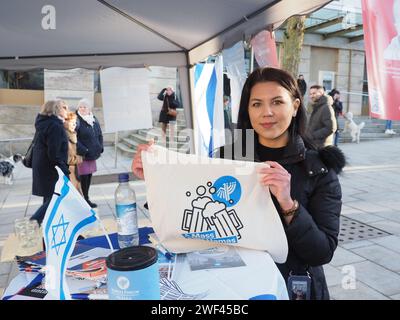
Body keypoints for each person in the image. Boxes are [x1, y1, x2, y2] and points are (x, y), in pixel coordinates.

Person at [132, 67, 345, 300]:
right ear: (247, 109)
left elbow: (321, 252)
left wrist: (288, 204)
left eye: (277, 102)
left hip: (292, 286)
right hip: (234, 287)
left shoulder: (318, 169)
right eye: (256, 104)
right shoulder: (227, 159)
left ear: (294, 106)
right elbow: (193, 215)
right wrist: (156, 177)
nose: (267, 112)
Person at [30, 100, 69, 225]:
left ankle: (47, 224)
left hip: (42, 165)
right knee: (55, 197)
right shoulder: (54, 125)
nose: (66, 110)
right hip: (50, 168)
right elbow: (54, 152)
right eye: (63, 108)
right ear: (56, 110)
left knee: (49, 195)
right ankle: (34, 221)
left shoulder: (43, 123)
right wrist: (64, 169)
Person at [76, 98, 103, 208]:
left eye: (84, 107)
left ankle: (86, 197)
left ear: (89, 108)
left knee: (89, 176)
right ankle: (84, 199)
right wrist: (84, 150)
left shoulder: (93, 118)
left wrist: (100, 147)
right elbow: (74, 138)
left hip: (92, 154)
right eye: (80, 107)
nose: (82, 109)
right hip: (82, 155)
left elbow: (99, 134)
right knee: (83, 178)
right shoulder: (76, 120)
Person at [64, 112, 83, 194]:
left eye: (75, 123)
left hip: (74, 168)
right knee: (73, 192)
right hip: (69, 169)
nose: (74, 125)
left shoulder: (72, 134)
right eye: (72, 123)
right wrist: (78, 158)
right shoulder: (65, 135)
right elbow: (67, 156)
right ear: (66, 122)